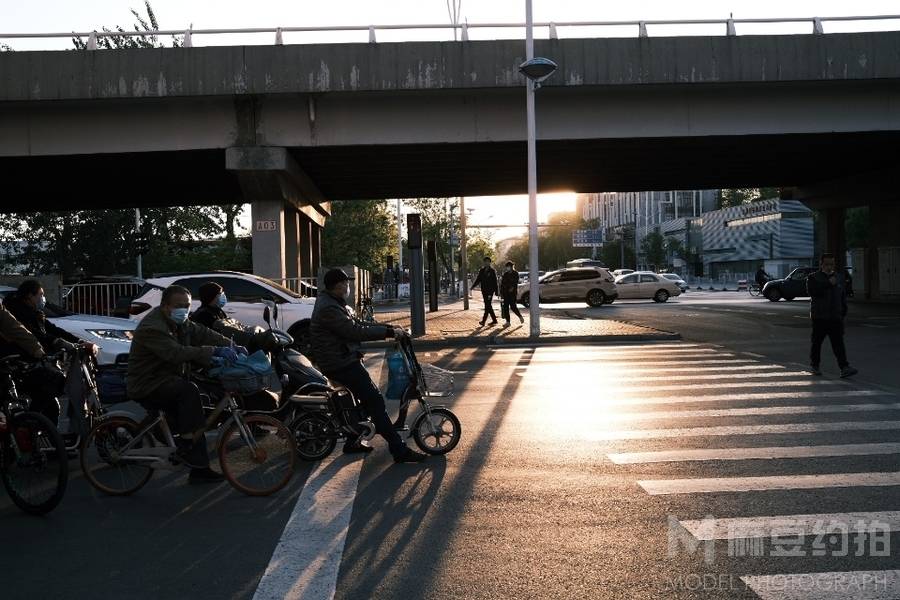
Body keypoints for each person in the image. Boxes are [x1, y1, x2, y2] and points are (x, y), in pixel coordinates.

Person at [127, 285, 243, 483]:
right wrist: (213, 352)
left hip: (167, 379)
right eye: (179, 305)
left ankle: (199, 468)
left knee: (199, 408)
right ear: (165, 306)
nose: (184, 309)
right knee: (189, 392)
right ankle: (188, 444)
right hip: (147, 383)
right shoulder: (153, 327)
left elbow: (203, 333)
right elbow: (175, 353)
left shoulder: (179, 322)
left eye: (187, 305)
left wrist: (230, 345)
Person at [309, 268, 427, 462]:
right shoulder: (328, 308)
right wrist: (388, 333)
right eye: (346, 283)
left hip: (341, 359)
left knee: (363, 403)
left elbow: (358, 323)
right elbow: (354, 331)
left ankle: (352, 441)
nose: (348, 286)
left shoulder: (333, 302)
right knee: (375, 402)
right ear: (338, 286)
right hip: (340, 363)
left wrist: (390, 328)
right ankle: (399, 450)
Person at [2, 280, 96, 423]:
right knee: (51, 384)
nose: (43, 299)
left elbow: (53, 330)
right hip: (18, 363)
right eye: (40, 295)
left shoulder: (35, 313)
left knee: (52, 404)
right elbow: (28, 333)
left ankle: (40, 438)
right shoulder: (17, 312)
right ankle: (26, 426)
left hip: (33, 360)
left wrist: (78, 342)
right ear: (29, 296)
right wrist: (54, 343)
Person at [807, 253, 858, 378]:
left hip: (835, 317)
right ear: (821, 264)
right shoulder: (813, 277)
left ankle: (844, 367)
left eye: (831, 264)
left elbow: (842, 296)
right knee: (817, 343)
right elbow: (813, 291)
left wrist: (843, 311)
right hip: (820, 317)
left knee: (838, 343)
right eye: (827, 264)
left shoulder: (839, 277)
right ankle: (815, 365)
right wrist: (828, 283)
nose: (829, 267)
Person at [471, 256, 499, 327]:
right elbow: (478, 279)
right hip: (484, 291)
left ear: (490, 262)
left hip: (490, 291)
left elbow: (495, 282)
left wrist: (496, 291)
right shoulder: (481, 270)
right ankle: (494, 320)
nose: (486, 263)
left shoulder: (492, 271)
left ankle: (483, 321)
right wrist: (473, 286)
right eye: (485, 261)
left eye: (488, 261)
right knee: (488, 305)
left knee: (487, 305)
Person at [499, 261, 524, 327]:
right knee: (505, 307)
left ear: (512, 267)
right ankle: (508, 322)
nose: (508, 268)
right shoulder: (505, 274)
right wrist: (501, 293)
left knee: (513, 307)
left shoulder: (516, 273)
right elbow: (502, 284)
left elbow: (516, 282)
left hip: (512, 293)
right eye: (507, 267)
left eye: (509, 266)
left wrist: (512, 287)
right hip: (505, 293)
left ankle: (520, 316)